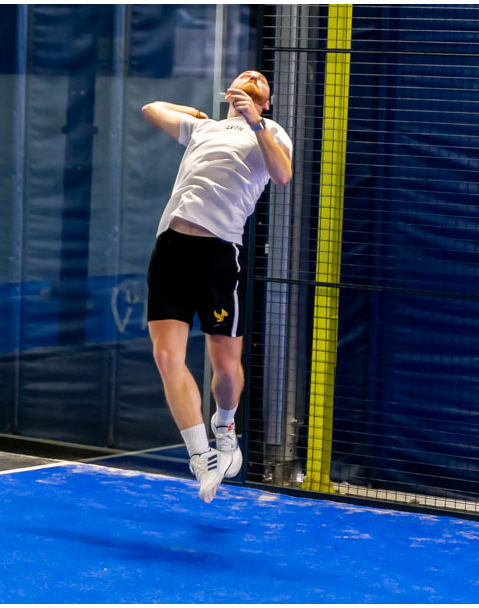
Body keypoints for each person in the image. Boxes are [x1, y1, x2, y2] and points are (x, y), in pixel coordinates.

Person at [141, 70, 292, 503]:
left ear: (266, 101)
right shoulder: (203, 129)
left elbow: (282, 175)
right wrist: (196, 114)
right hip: (171, 247)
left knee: (225, 368)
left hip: (219, 254)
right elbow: (151, 109)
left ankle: (224, 426)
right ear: (229, 93)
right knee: (166, 357)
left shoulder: (271, 130)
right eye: (245, 75)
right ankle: (200, 455)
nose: (252, 75)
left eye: (260, 80)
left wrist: (256, 123)